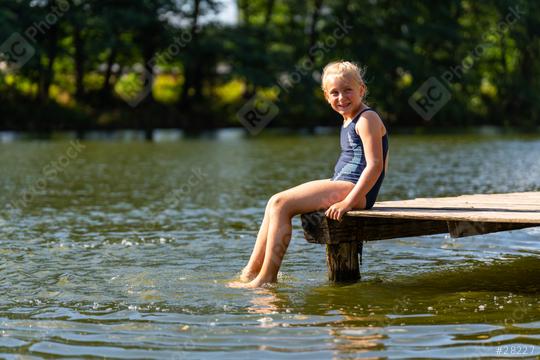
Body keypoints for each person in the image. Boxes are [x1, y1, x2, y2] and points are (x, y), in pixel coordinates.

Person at [228, 61, 389, 288]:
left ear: (361, 89)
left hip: (355, 190)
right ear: (326, 96)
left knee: (282, 205)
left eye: (348, 90)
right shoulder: (349, 119)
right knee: (274, 202)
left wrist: (348, 203)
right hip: (344, 184)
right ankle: (251, 271)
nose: (341, 97)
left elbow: (376, 166)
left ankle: (266, 279)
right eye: (334, 93)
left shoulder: (367, 119)